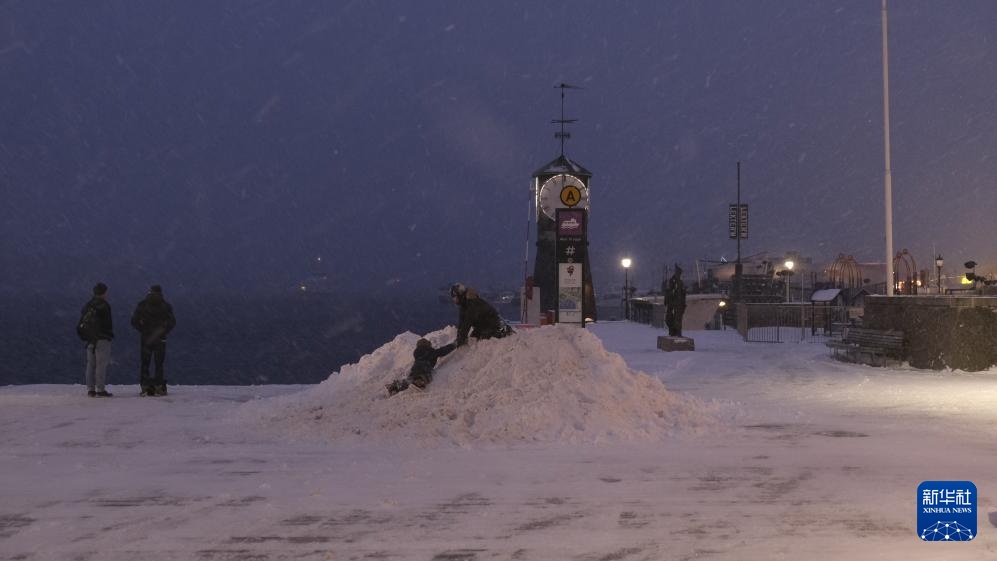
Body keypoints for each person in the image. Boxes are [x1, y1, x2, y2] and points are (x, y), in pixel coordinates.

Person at [131, 285, 177, 396]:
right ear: (161, 292)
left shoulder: (142, 305)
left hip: (146, 338)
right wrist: (164, 331)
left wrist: (143, 330)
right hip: (160, 339)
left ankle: (145, 386)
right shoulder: (165, 305)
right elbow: (172, 322)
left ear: (149, 292)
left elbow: (134, 321)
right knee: (159, 364)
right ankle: (158, 386)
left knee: (145, 363)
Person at [386, 338, 456, 395]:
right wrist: (454, 345)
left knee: (409, 380)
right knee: (424, 376)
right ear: (427, 345)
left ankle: (396, 387)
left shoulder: (417, 354)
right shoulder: (430, 352)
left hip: (414, 369)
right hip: (425, 368)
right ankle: (419, 382)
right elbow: (443, 351)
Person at [81, 282, 114, 397]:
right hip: (102, 338)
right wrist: (109, 335)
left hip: (90, 339)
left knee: (90, 364)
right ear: (103, 293)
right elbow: (107, 323)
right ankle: (100, 389)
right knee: (101, 364)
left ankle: (90, 389)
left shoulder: (88, 305)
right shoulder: (104, 305)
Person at [664, 265, 687, 337]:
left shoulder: (680, 283)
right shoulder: (673, 281)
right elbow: (669, 290)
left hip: (678, 303)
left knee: (677, 319)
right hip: (672, 303)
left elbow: (682, 294)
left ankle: (677, 332)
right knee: (668, 319)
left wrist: (683, 304)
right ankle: (672, 331)